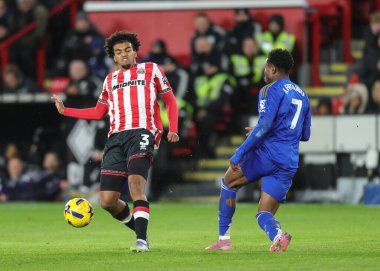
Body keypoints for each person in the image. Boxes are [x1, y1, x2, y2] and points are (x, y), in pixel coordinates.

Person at [51, 31, 179, 252]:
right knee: (107, 201)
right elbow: (98, 111)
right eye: (118, 52)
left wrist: (173, 129)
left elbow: (170, 101)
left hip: (142, 132)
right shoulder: (110, 80)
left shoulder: (152, 70)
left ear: (135, 51)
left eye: (127, 50)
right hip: (116, 138)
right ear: (114, 57)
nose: (124, 55)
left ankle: (140, 242)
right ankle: (142, 232)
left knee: (135, 185)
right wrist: (66, 111)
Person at [206, 49, 311, 252]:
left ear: (272, 68)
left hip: (266, 154)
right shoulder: (303, 95)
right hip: (288, 161)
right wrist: (273, 128)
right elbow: (304, 135)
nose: (264, 71)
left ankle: (224, 241)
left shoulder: (269, 89)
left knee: (228, 183)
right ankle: (277, 236)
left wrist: (239, 153)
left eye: (265, 67)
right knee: (264, 213)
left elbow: (264, 126)